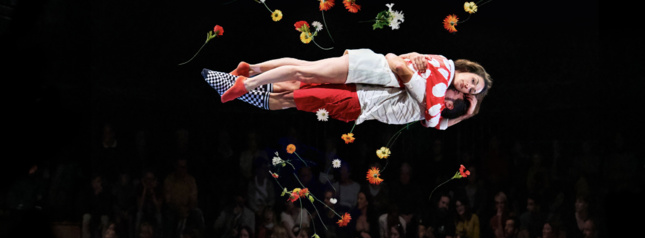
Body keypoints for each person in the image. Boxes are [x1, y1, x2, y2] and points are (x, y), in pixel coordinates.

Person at [203, 49, 491, 129]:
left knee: (299, 79)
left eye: (469, 93)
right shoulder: (435, 81)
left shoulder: (437, 86)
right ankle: (247, 82)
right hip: (365, 77)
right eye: (472, 82)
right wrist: (396, 58)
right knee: (299, 86)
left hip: (364, 83)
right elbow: (401, 65)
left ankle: (249, 70)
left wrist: (466, 115)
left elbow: (436, 122)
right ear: (468, 70)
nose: (465, 88)